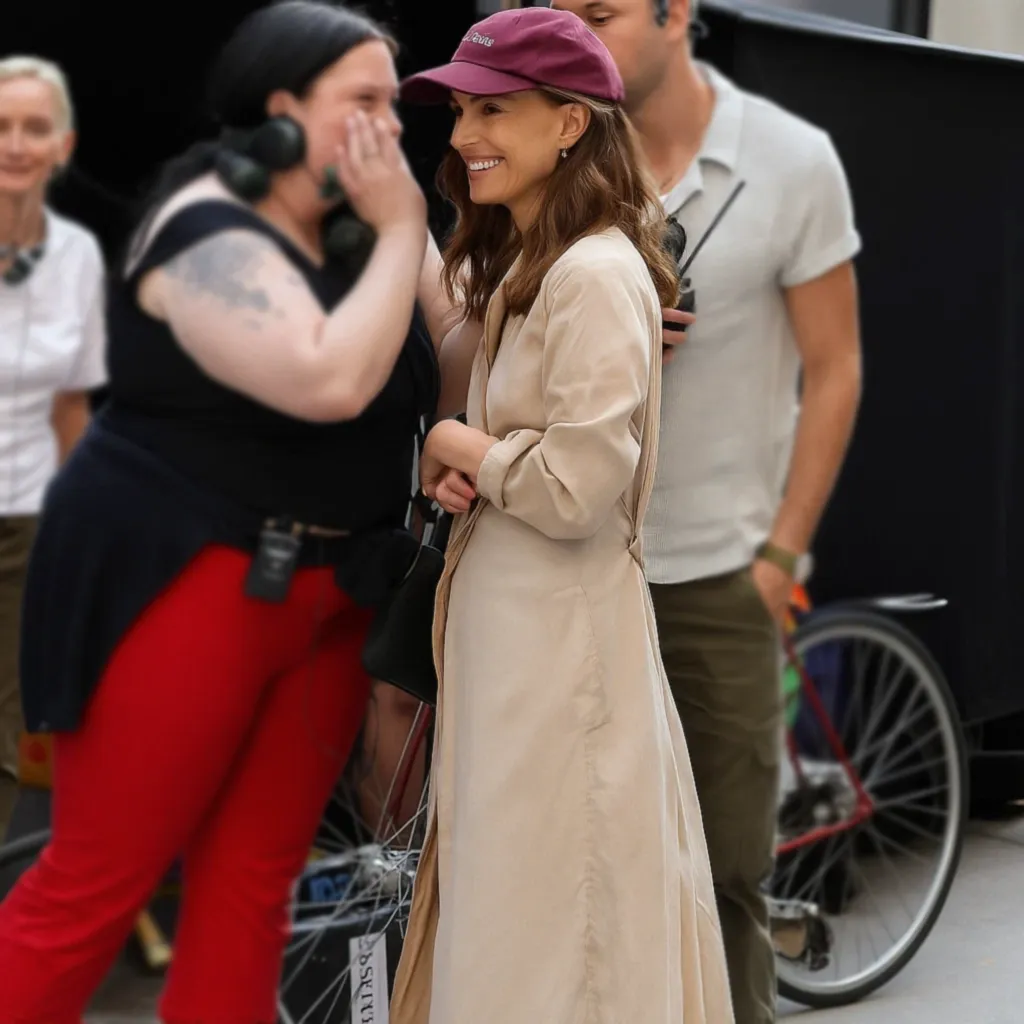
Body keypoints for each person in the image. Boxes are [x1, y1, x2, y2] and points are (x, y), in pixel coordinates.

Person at [0, 2, 460, 1020]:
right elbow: (328, 378)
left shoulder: (370, 224)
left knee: (252, 887)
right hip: (187, 579)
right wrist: (403, 230)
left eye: (395, 102)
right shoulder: (202, 226)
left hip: (330, 593)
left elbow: (458, 351)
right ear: (283, 107)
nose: (392, 126)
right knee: (95, 885)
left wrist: (594, 314)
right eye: (365, 100)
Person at [388, 8, 734, 1023]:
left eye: (492, 110)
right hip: (525, 652)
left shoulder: (590, 273)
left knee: (554, 928)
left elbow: (577, 490)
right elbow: (541, 461)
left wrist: (459, 446)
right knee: (529, 914)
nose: (462, 135)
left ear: (571, 123)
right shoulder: (543, 263)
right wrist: (473, 465)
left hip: (556, 658)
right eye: (459, 111)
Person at [552, 2, 864, 1021]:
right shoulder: (551, 144)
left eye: (599, 13)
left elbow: (834, 368)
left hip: (716, 573)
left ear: (677, 12)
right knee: (574, 872)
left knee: (726, 876)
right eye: (558, 12)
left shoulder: (791, 159)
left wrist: (781, 554)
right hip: (563, 560)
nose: (577, 34)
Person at [0, 55, 105, 839]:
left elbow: (72, 405)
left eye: (34, 128)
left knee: (10, 733)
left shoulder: (76, 255)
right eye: (0, 126)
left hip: (27, 522)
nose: (15, 144)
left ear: (62, 147)